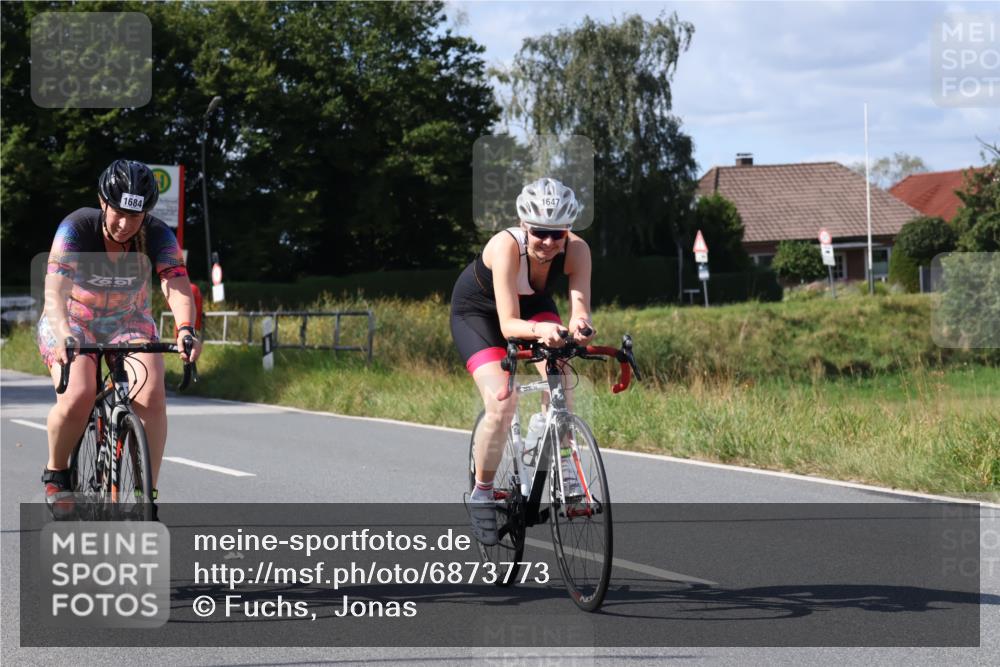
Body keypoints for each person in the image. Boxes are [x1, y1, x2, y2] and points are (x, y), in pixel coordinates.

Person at [37, 159, 203, 518]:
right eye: (118, 213)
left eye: (137, 215)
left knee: (152, 396)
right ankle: (56, 471)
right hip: (72, 319)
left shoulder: (157, 234)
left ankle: (146, 493)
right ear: (103, 202)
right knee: (79, 395)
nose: (126, 225)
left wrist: (186, 328)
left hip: (129, 320)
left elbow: (175, 281)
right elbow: (54, 288)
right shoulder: (77, 228)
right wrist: (63, 331)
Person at [450, 177, 595, 545]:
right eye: (539, 233)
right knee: (503, 400)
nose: (548, 243)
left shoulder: (577, 250)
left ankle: (557, 453)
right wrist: (540, 332)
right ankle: (483, 493)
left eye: (557, 233)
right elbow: (508, 325)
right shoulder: (505, 246)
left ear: (568, 231)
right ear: (524, 226)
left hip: (532, 308)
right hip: (479, 314)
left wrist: (580, 327)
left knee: (560, 370)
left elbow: (580, 310)